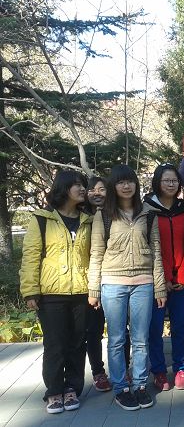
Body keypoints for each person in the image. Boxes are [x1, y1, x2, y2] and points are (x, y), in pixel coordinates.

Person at [88, 165, 167, 411]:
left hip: (143, 283)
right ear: (114, 186)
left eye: (130, 181)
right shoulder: (103, 215)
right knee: (116, 339)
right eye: (121, 182)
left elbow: (156, 252)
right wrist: (93, 289)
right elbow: (96, 253)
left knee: (141, 338)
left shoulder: (149, 214)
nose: (126, 186)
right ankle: (121, 387)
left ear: (136, 184)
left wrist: (160, 287)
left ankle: (141, 385)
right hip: (113, 283)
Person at [20, 171, 92, 414]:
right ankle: (53, 391)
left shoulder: (88, 220)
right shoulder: (42, 219)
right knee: (55, 344)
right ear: (63, 188)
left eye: (83, 184)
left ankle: (72, 389)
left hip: (82, 291)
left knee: (77, 343)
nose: (82, 189)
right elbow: (31, 256)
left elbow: (94, 256)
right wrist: (30, 291)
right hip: (51, 293)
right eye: (76, 185)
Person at [144, 164, 184, 391]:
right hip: (156, 279)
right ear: (157, 182)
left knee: (180, 325)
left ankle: (181, 367)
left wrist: (183, 276)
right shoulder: (147, 209)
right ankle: (159, 371)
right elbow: (148, 247)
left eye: (174, 180)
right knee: (154, 327)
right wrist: (162, 279)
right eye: (166, 180)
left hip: (181, 277)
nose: (171, 184)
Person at [83, 176, 113, 393]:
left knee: (120, 330)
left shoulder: (114, 215)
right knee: (93, 331)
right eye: (92, 189)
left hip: (114, 280)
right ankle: (98, 372)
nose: (97, 193)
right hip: (89, 283)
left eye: (102, 189)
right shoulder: (81, 218)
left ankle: (123, 368)